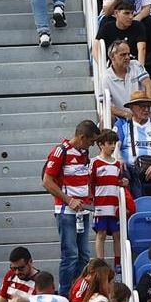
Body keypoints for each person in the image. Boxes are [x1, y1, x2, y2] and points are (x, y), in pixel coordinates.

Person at [45, 119, 99, 293]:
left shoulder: (83, 153)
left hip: (82, 212)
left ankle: (77, 292)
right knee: (71, 255)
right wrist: (69, 200)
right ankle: (65, 294)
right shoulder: (61, 151)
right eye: (91, 141)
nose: (92, 146)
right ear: (82, 137)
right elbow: (47, 182)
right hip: (66, 211)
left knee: (83, 256)